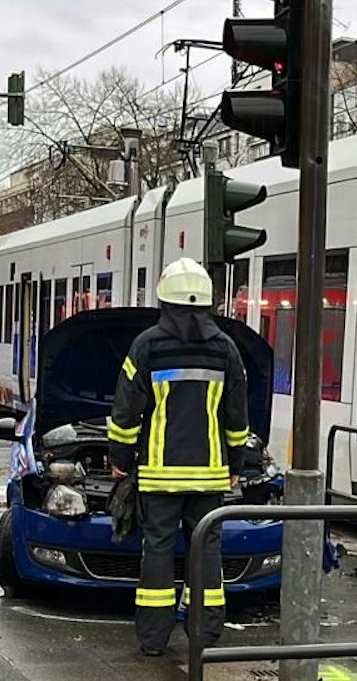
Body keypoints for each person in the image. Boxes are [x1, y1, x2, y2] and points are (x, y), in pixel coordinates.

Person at [108, 258, 251, 656]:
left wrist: (119, 456)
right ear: (207, 302)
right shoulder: (226, 349)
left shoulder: (147, 345)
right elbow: (237, 414)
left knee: (156, 550)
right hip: (209, 476)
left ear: (164, 301)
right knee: (206, 551)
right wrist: (236, 464)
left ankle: (153, 640)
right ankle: (204, 635)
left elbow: (126, 409)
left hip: (158, 475)